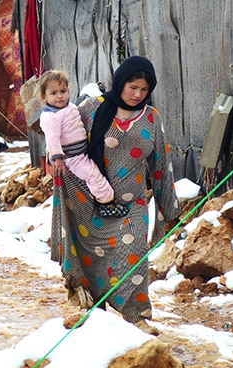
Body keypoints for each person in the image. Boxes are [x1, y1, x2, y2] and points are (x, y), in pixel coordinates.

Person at [49, 56, 180, 335]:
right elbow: (58, 129)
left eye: (144, 90)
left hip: (132, 203)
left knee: (133, 255)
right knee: (92, 259)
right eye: (133, 87)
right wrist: (53, 158)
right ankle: (95, 314)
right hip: (90, 200)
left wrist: (169, 207)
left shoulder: (151, 118)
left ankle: (136, 318)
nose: (137, 95)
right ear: (120, 83)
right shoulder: (92, 109)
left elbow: (160, 165)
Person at [37, 70, 129, 217]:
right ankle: (106, 204)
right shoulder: (50, 117)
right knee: (94, 177)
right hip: (73, 157)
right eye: (53, 93)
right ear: (44, 96)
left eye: (63, 91)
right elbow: (52, 139)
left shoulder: (70, 107)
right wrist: (58, 158)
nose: (60, 96)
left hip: (83, 151)